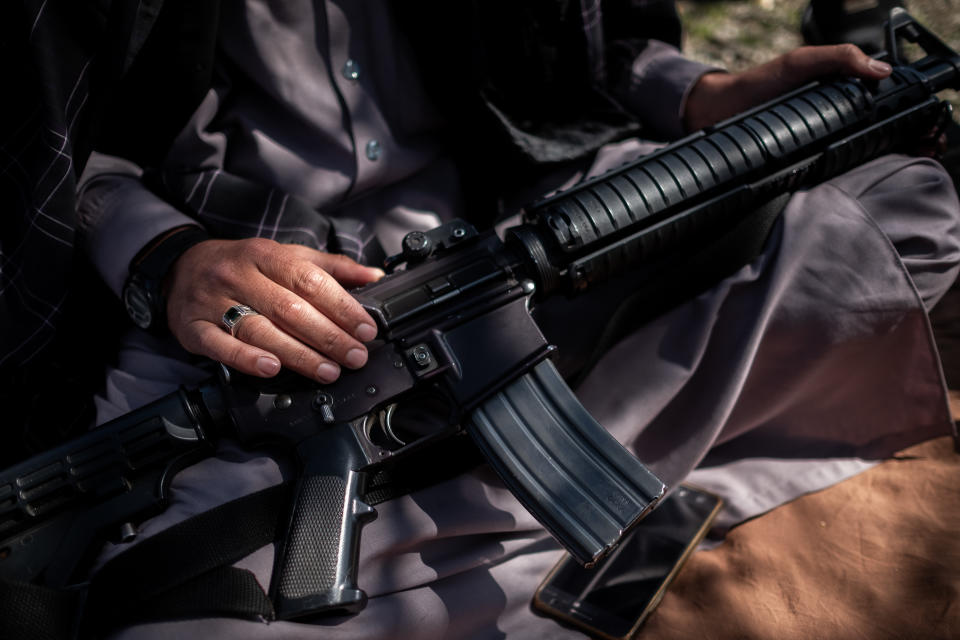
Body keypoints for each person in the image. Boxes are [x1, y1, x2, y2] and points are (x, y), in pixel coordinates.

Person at [76, 1, 960, 637]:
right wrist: (170, 259)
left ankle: (474, 525)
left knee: (899, 215)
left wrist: (703, 98)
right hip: (268, 324)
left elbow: (570, 56)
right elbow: (49, 162)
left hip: (520, 235)